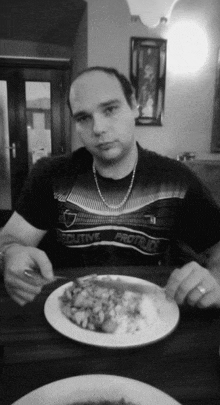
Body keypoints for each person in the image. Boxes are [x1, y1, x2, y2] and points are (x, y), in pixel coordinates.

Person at [1, 66, 220, 309]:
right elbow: (10, 239)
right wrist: (9, 254)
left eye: (110, 109)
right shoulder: (51, 176)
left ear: (134, 105)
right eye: (84, 117)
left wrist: (215, 280)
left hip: (145, 316)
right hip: (66, 311)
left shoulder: (176, 181)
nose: (98, 129)